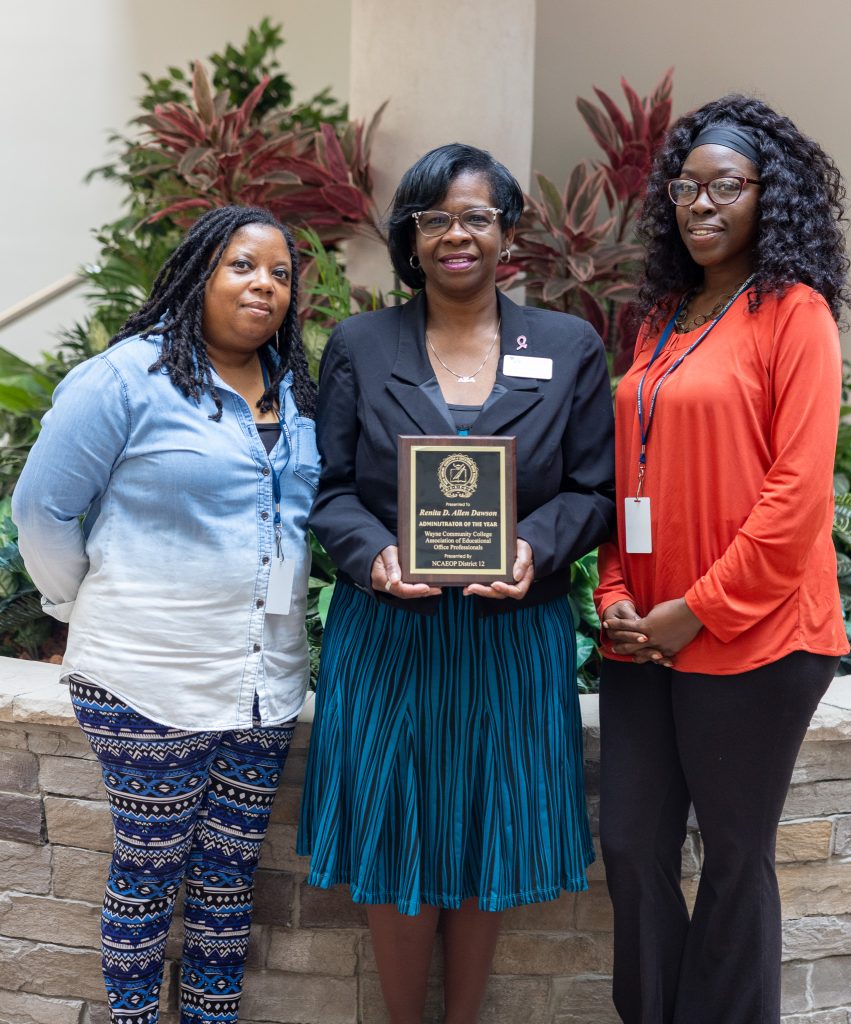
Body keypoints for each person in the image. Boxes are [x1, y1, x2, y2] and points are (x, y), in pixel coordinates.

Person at [297, 142, 615, 1024]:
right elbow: (327, 492)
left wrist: (534, 548)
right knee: (397, 832)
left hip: (511, 633)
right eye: (434, 218)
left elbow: (593, 491)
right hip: (390, 632)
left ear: (508, 232)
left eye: (476, 216)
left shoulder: (567, 345)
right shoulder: (361, 344)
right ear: (410, 235)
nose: (456, 234)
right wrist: (371, 555)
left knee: (487, 830)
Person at [12, 205, 319, 1024]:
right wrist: (87, 605)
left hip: (265, 681)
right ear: (197, 276)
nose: (265, 285)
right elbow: (43, 511)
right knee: (149, 869)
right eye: (242, 266)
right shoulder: (124, 379)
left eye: (280, 273)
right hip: (147, 677)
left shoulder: (297, 392)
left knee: (228, 878)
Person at [595, 95, 851, 1024]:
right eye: (685, 188)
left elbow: (796, 498)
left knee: (735, 859)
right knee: (628, 844)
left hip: (757, 638)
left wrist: (693, 610)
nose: (700, 205)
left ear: (766, 195)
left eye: (725, 187)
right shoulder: (661, 315)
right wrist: (618, 587)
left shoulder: (795, 312)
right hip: (645, 634)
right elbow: (634, 469)